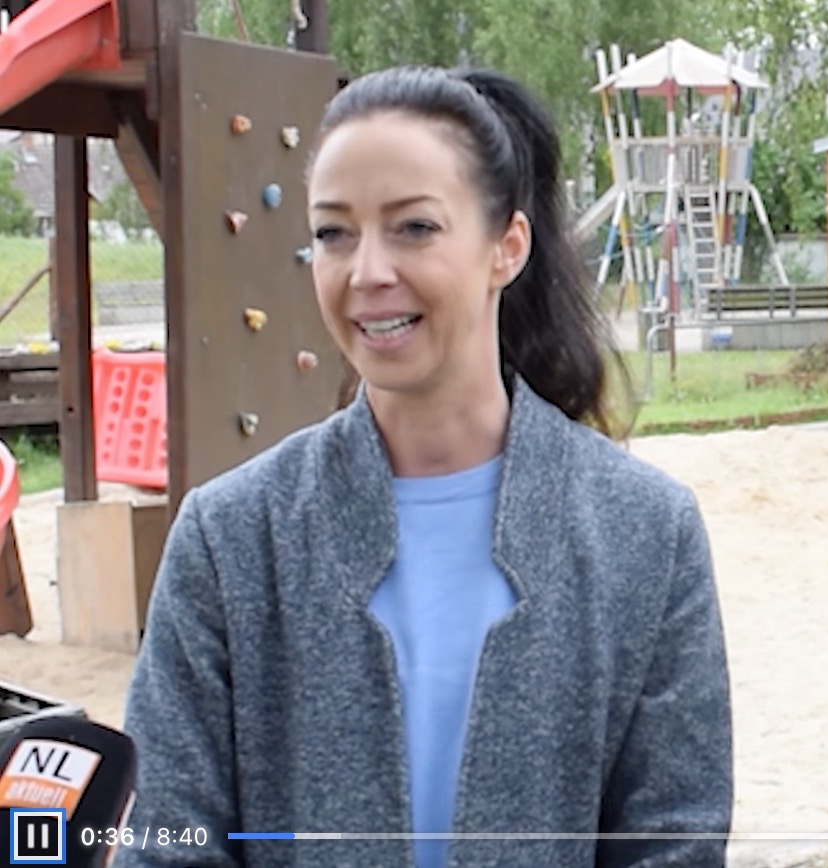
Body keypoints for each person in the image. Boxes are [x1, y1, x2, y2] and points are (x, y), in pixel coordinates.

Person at [118, 66, 733, 867]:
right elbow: (167, 842)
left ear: (507, 247)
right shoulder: (230, 539)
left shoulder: (645, 532)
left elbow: (674, 841)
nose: (367, 271)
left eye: (413, 227)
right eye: (334, 233)